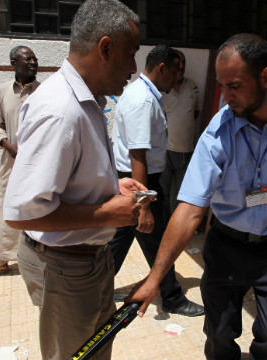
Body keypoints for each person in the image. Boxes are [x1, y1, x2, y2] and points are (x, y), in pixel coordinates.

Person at [126, 33, 267, 359]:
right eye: (222, 85)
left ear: (265, 77)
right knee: (219, 338)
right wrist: (155, 278)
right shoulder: (218, 132)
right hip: (226, 248)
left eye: (234, 85)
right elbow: (190, 209)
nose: (225, 95)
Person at [3, 1, 146, 359]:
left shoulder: (88, 101)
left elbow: (71, 180)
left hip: (88, 260)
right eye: (131, 55)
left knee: (95, 351)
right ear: (106, 48)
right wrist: (106, 214)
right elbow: (20, 213)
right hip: (64, 266)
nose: (133, 68)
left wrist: (113, 189)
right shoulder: (60, 111)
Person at [110, 45, 204, 317]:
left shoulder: (143, 94)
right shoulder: (143, 99)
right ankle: (172, 296)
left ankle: (98, 286)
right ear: (161, 68)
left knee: (121, 238)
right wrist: (144, 206)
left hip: (136, 181)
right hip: (141, 182)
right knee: (158, 239)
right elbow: (138, 153)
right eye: (175, 72)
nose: (177, 78)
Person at [0, 46, 39, 277]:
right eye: (27, 59)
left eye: (34, 59)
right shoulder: (3, 91)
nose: (33, 62)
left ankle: (37, 257)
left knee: (37, 206)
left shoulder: (44, 91)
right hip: (11, 161)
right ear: (14, 64)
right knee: (4, 206)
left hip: (39, 163)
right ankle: (0, 260)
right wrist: (7, 145)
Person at [159, 49, 201, 215]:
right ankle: (161, 225)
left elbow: (194, 113)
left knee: (182, 193)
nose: (181, 66)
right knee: (162, 190)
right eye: (178, 63)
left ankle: (174, 226)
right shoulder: (161, 89)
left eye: (184, 62)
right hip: (165, 150)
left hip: (187, 150)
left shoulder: (193, 86)